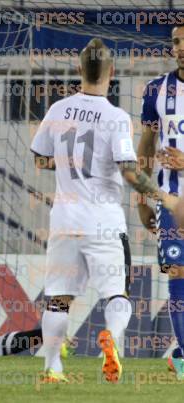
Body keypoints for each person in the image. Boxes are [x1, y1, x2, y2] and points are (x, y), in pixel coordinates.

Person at [31, 38, 178, 383]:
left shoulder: (58, 109)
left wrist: (70, 165)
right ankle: (111, 336)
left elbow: (40, 158)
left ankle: (52, 368)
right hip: (103, 222)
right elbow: (129, 171)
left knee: (57, 297)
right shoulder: (114, 117)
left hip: (64, 220)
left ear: (80, 69)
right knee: (116, 293)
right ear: (111, 72)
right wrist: (163, 198)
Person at [138, 25, 184, 379]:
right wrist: (141, 194)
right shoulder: (157, 89)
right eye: (176, 41)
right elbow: (146, 146)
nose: (180, 48)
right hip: (170, 202)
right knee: (177, 274)